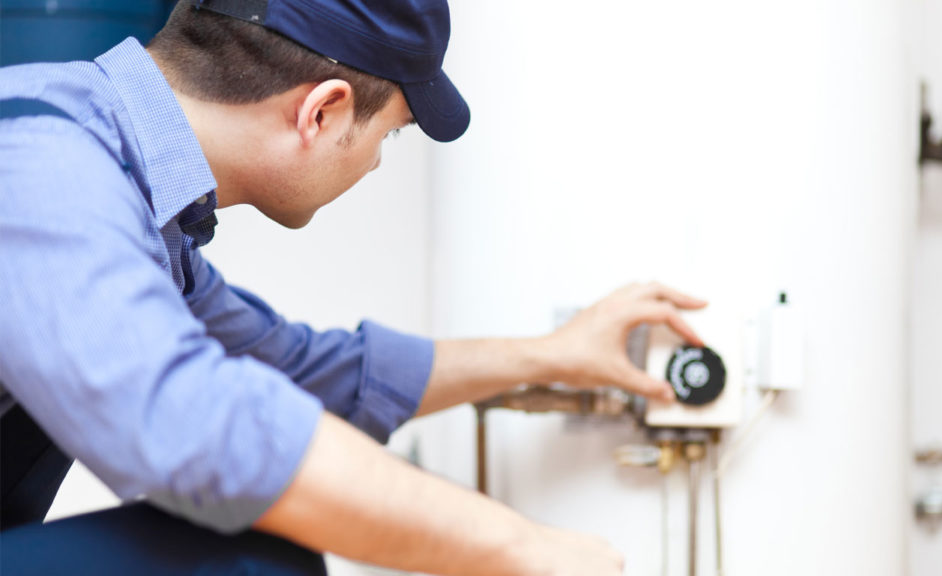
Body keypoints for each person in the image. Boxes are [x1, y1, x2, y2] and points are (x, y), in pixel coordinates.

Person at [0, 1, 707, 574]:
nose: (373, 165)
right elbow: (198, 428)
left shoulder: (134, 196)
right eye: (391, 135)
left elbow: (301, 373)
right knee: (246, 561)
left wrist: (552, 355)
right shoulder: (42, 161)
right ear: (323, 112)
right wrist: (524, 548)